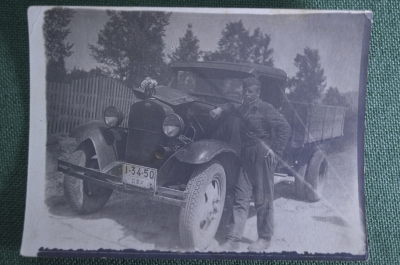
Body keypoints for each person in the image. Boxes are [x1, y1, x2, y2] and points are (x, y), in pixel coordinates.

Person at [210, 76, 291, 252]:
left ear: (257, 92)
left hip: (262, 155)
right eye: (244, 91)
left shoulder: (265, 108)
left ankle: (264, 238)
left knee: (262, 198)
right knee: (240, 197)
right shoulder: (242, 107)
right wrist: (219, 109)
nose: (246, 94)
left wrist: (276, 151)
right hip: (246, 155)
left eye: (250, 91)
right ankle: (233, 240)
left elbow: (285, 127)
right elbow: (231, 106)